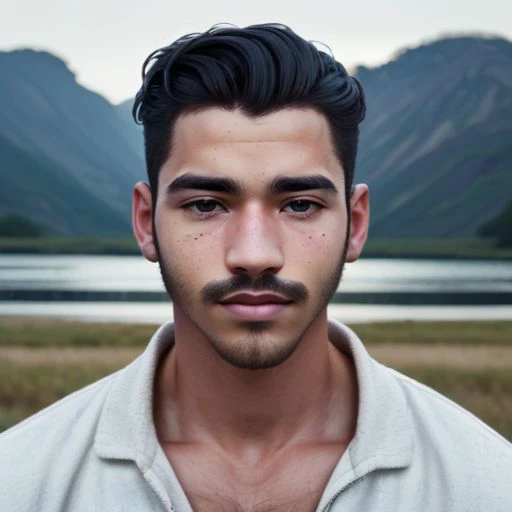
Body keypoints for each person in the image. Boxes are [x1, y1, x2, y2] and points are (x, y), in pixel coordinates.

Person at [0, 23, 510, 512]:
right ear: (144, 222)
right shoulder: (19, 482)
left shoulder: (488, 486)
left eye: (300, 205)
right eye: (205, 204)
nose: (254, 255)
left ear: (355, 224)